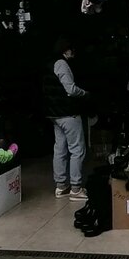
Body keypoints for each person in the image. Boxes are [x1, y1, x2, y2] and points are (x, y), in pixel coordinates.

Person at [43, 38, 88, 200]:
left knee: (60, 149)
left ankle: (61, 186)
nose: (73, 53)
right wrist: (85, 93)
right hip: (68, 113)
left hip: (54, 114)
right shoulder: (61, 64)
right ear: (65, 50)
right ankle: (76, 188)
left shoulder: (49, 64)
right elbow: (71, 89)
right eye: (71, 49)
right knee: (77, 149)